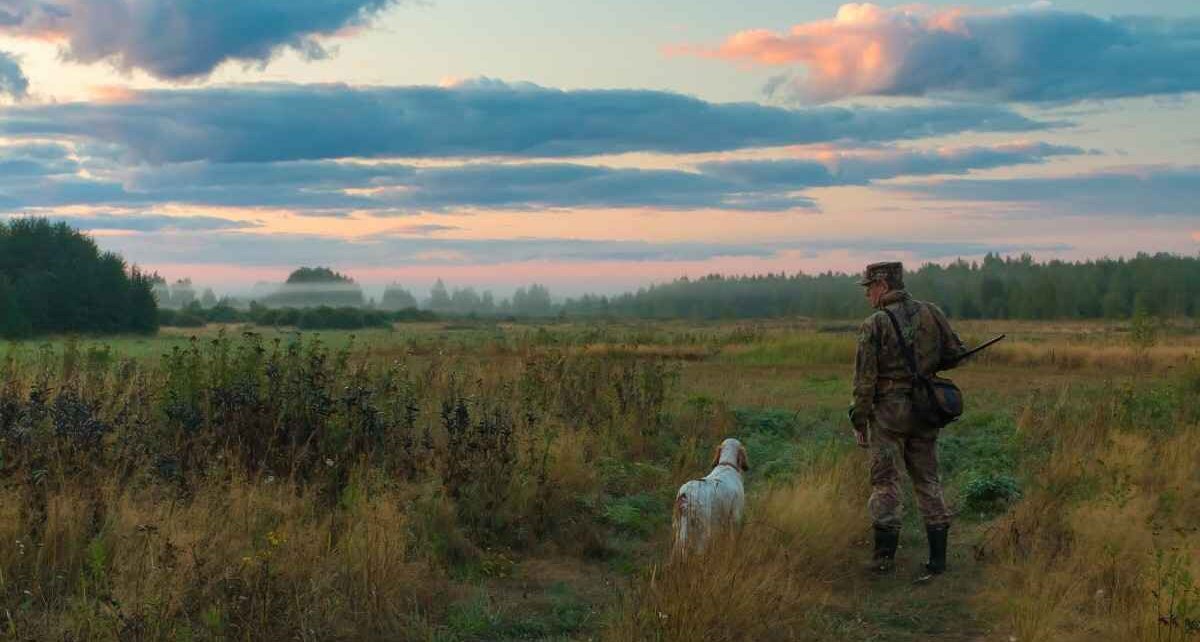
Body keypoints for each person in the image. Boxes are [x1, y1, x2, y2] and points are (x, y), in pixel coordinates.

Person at [849, 261, 965, 577]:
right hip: (926, 410)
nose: (867, 294)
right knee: (928, 481)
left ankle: (884, 559)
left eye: (869, 287)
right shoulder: (932, 312)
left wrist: (859, 419)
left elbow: (864, 380)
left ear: (883, 286)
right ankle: (938, 561)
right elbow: (954, 354)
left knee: (886, 481)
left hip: (888, 414)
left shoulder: (874, 323)